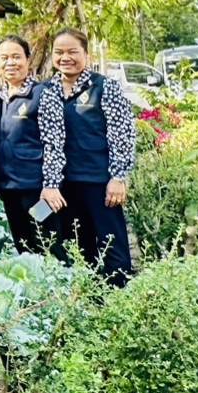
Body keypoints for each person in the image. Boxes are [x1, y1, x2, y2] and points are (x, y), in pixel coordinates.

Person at [37, 27, 136, 284]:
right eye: (59, 52)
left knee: (111, 244)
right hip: (65, 186)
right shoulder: (49, 90)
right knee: (77, 245)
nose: (65, 57)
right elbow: (50, 142)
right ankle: (88, 299)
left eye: (73, 51)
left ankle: (120, 297)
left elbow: (122, 135)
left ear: (86, 54)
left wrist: (118, 177)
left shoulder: (104, 88)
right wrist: (50, 184)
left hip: (100, 182)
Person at [0, 35, 57, 255]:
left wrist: (51, 186)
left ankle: (61, 289)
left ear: (28, 59)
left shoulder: (42, 94)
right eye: (4, 58)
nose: (10, 63)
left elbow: (54, 144)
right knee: (24, 247)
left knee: (47, 244)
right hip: (9, 189)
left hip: (37, 190)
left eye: (16, 57)